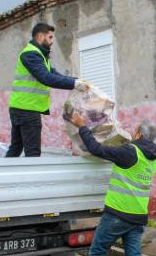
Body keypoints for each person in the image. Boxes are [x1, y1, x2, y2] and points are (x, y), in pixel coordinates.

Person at [67, 112, 156, 256]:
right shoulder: (153, 160)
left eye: (135, 129)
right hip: (137, 216)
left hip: (117, 215)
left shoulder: (131, 151)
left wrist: (82, 126)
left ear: (138, 134)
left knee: (97, 253)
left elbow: (96, 149)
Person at [6, 22, 92, 157]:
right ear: (40, 36)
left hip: (21, 107)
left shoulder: (38, 54)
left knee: (16, 148)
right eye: (50, 37)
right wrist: (74, 84)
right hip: (27, 110)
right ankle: (31, 177)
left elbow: (53, 73)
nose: (52, 42)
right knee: (32, 152)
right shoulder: (31, 55)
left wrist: (76, 80)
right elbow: (46, 78)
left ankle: (5, 176)